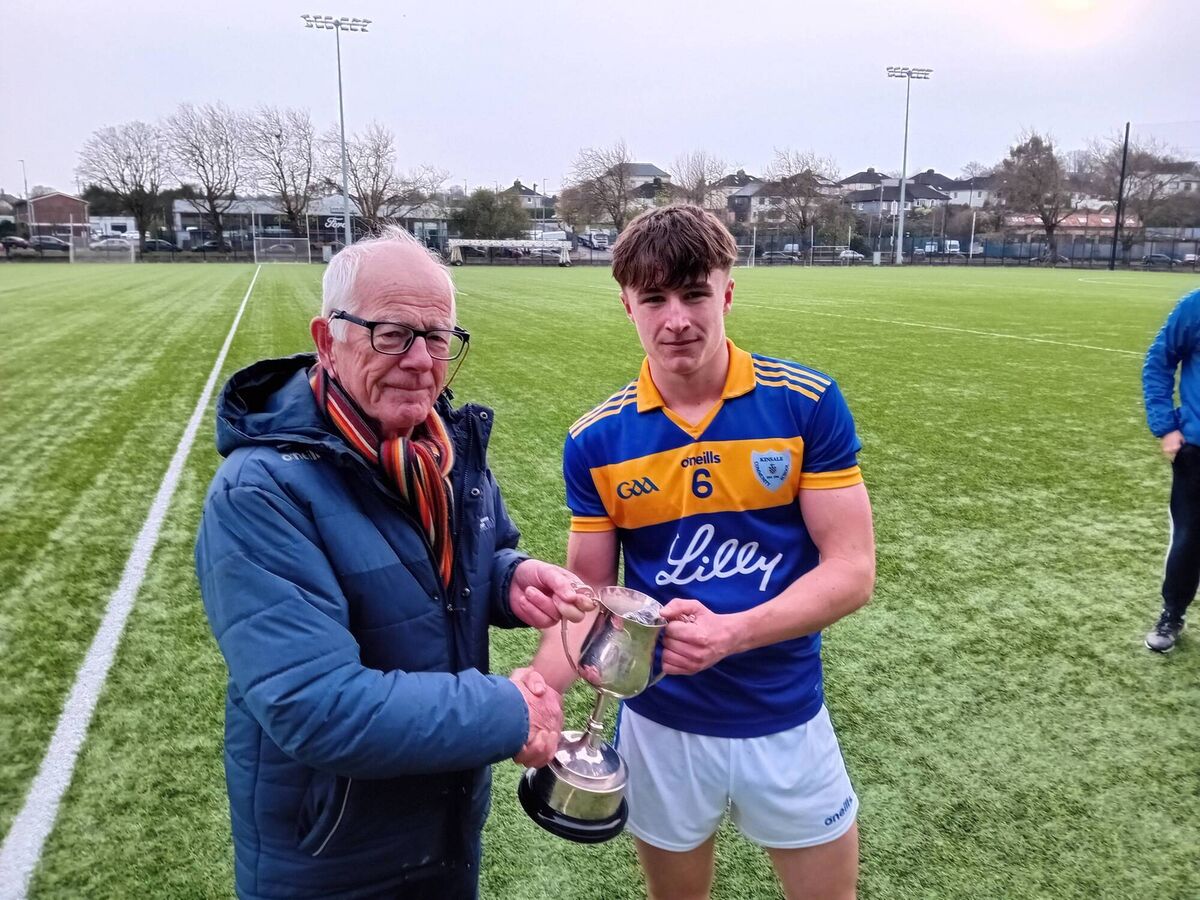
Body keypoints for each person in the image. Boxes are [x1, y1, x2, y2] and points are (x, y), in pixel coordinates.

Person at [195, 228, 594, 899]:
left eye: (438, 338)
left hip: (442, 830)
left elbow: (461, 562)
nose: (420, 360)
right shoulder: (261, 491)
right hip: (332, 858)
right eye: (391, 334)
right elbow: (314, 705)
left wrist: (509, 578)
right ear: (328, 340)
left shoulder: (442, 449)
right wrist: (509, 710)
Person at [534, 205, 876, 899]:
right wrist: (537, 692)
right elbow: (585, 599)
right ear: (627, 303)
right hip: (661, 728)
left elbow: (852, 570)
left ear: (727, 291)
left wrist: (734, 633)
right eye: (654, 299)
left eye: (694, 294)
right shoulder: (596, 440)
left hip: (785, 716)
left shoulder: (805, 404)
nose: (677, 319)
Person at [1142, 287, 1200, 653]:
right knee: (1189, 539)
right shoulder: (1195, 307)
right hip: (1197, 450)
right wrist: (1166, 425)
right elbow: (1158, 361)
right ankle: (1172, 613)